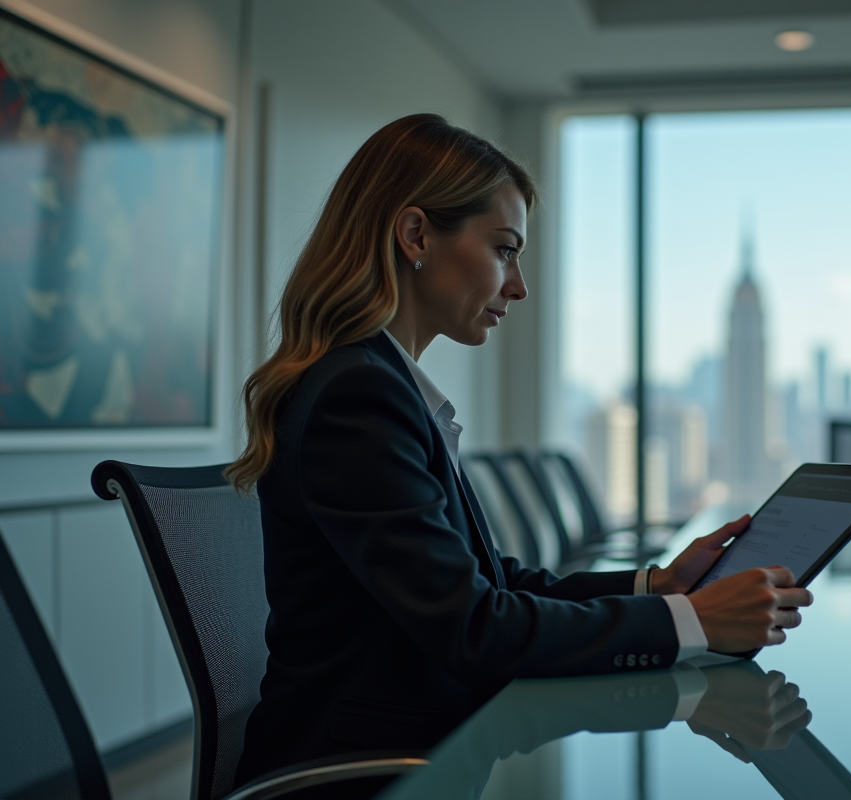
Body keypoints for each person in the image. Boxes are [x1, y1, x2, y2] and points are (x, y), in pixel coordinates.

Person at [228, 114, 813, 785]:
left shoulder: (378, 384)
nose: (519, 285)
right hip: (363, 776)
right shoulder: (357, 396)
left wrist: (658, 584)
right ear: (416, 234)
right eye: (505, 249)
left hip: (423, 748)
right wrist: (691, 621)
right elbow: (477, 630)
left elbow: (490, 585)